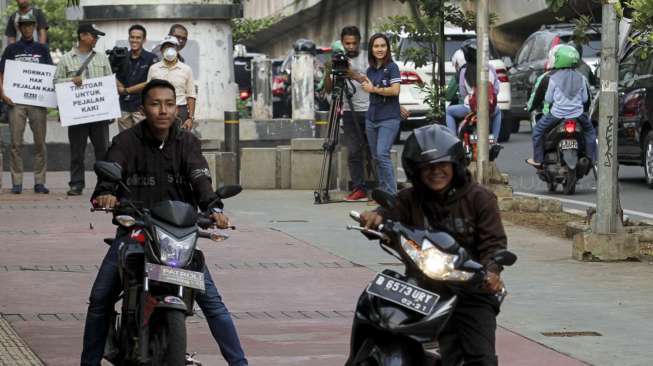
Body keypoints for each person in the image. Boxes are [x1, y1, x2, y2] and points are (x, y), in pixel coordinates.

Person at [82, 79, 248, 366]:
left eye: (169, 104)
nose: (163, 110)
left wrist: (215, 208)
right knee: (100, 299)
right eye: (156, 103)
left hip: (179, 238)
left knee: (215, 306)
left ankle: (240, 363)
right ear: (143, 108)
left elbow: (201, 180)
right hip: (136, 233)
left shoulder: (187, 143)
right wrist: (107, 194)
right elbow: (110, 174)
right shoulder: (125, 142)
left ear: (177, 109)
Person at [359, 124, 507, 366]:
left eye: (441, 165)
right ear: (415, 171)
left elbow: (495, 243)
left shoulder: (480, 198)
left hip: (469, 289)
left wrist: (492, 271)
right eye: (426, 167)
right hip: (419, 287)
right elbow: (388, 210)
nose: (435, 171)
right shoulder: (410, 198)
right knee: (378, 318)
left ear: (455, 165)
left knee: (481, 358)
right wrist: (374, 217)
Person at [54, 24, 114, 196]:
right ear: (83, 36)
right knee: (77, 151)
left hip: (99, 114)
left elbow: (109, 83)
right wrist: (71, 80)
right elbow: (56, 83)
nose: (96, 39)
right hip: (76, 115)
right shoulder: (66, 59)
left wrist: (111, 110)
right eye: (93, 36)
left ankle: (105, 186)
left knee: (103, 151)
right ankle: (76, 184)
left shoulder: (102, 58)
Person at [0, 13, 53, 194]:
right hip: (16, 103)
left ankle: (39, 182)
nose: (27, 28)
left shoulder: (43, 49)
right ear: (20, 28)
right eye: (24, 26)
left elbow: (49, 74)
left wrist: (50, 95)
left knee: (40, 143)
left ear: (34, 27)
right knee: (16, 143)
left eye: (30, 25)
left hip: (38, 102)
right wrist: (2, 94)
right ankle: (17, 182)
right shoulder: (11, 49)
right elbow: (1, 74)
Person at [526, 44, 596, 168]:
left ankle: (538, 159)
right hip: (578, 115)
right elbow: (585, 99)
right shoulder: (581, 78)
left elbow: (548, 99)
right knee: (590, 132)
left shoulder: (552, 78)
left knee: (537, 131)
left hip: (557, 115)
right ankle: (592, 158)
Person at [324, 26, 372, 202]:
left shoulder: (369, 57)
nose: (351, 47)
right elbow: (328, 90)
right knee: (353, 152)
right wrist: (328, 71)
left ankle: (379, 190)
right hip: (349, 111)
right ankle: (359, 188)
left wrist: (351, 73)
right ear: (342, 43)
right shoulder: (338, 60)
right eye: (347, 43)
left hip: (369, 109)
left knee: (373, 151)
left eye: (354, 43)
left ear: (359, 42)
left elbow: (369, 81)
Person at [361, 33, 401, 195]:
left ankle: (392, 194)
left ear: (388, 48)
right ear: (371, 49)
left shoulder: (392, 67)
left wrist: (374, 89)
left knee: (382, 154)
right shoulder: (370, 70)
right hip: (371, 118)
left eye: (383, 46)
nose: (380, 49)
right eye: (376, 46)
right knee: (376, 157)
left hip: (389, 118)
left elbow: (395, 90)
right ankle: (383, 191)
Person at [445, 40, 502, 139]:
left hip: (470, 108)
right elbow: (496, 90)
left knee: (449, 112)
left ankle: (454, 140)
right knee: (498, 112)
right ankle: (495, 140)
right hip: (489, 107)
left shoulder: (464, 71)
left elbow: (463, 92)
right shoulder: (491, 68)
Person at [115, 24, 159, 131]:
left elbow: (151, 82)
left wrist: (126, 90)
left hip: (142, 108)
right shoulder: (122, 57)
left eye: (138, 38)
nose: (134, 40)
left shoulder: (151, 58)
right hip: (123, 107)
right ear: (129, 38)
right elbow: (116, 77)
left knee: (143, 141)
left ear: (144, 40)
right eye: (132, 37)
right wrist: (119, 87)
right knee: (125, 140)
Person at [147, 35, 196, 130]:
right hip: (158, 109)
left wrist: (190, 118)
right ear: (161, 50)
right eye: (166, 47)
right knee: (159, 140)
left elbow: (191, 95)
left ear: (177, 50)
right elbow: (148, 94)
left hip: (180, 110)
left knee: (180, 141)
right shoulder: (153, 69)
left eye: (172, 47)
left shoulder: (186, 69)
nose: (169, 50)